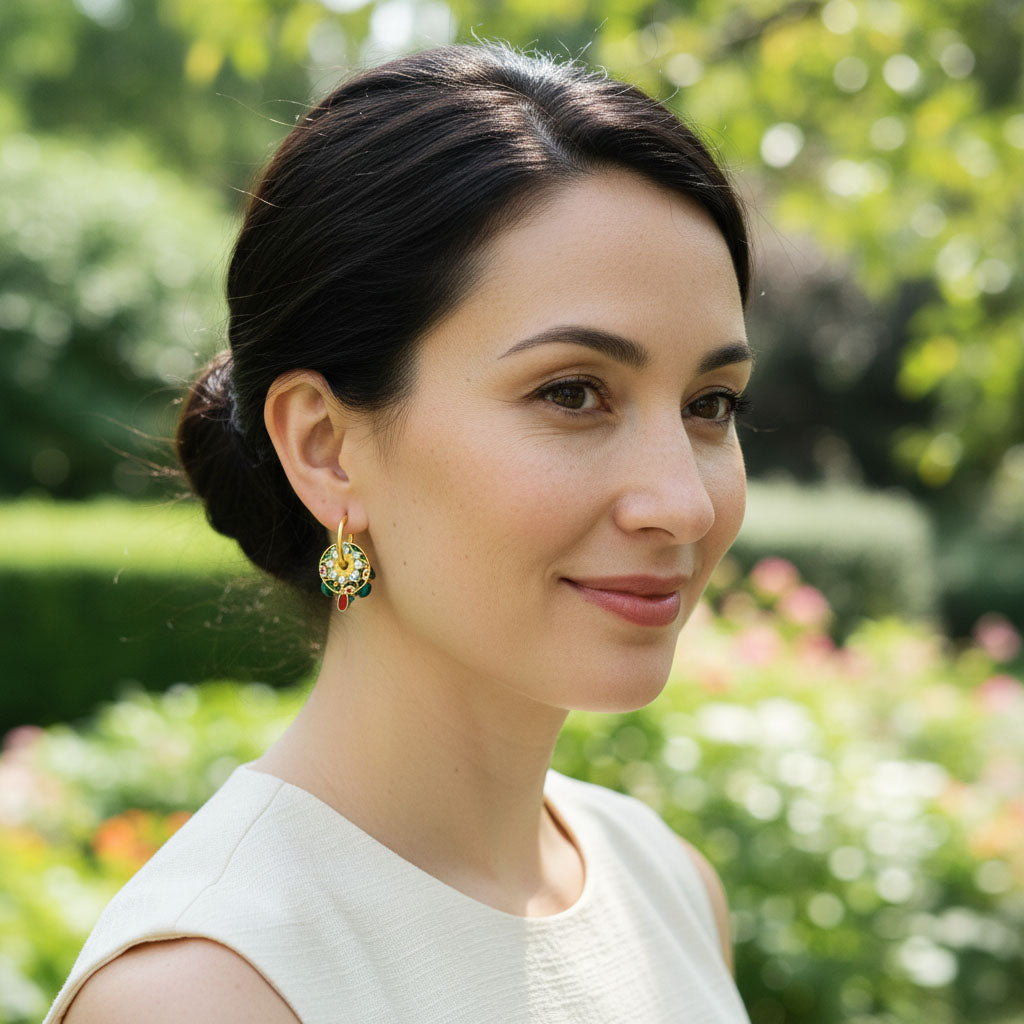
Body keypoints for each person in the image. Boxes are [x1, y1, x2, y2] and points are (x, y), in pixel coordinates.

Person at [46, 42, 755, 1024]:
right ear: (328, 446)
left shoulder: (666, 885)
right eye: (572, 393)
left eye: (710, 403)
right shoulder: (209, 989)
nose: (680, 501)